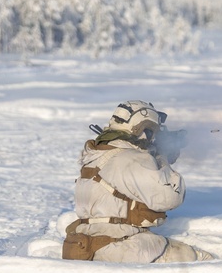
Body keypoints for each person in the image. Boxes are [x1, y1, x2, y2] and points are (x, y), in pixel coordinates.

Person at [62, 100, 213, 263]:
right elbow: (169, 198)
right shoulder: (133, 159)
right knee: (200, 260)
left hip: (85, 246)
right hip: (123, 246)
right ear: (141, 128)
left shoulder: (96, 156)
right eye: (150, 132)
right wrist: (162, 159)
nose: (151, 138)